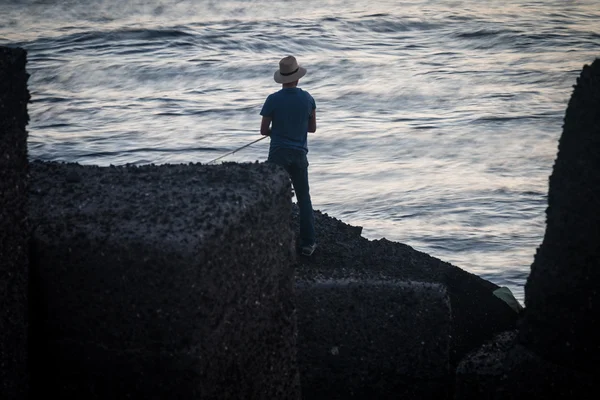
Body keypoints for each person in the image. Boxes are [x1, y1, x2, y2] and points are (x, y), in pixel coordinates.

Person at [260, 55, 318, 256]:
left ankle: (273, 239)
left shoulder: (272, 99)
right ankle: (308, 243)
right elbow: (312, 129)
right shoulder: (308, 99)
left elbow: (263, 130)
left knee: (274, 196)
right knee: (304, 198)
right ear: (297, 77)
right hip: (300, 154)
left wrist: (275, 131)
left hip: (278, 154)